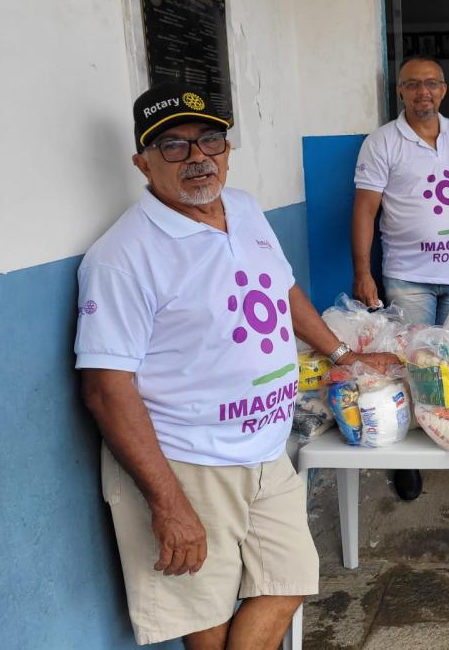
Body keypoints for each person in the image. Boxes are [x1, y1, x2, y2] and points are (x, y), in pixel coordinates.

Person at [76, 83, 397, 648]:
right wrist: (168, 503)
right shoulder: (122, 255)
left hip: (267, 450)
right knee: (207, 620)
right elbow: (106, 389)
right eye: (173, 146)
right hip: (188, 461)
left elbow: (283, 289)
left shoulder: (244, 208)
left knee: (289, 578)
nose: (198, 157)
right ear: (142, 162)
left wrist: (344, 354)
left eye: (210, 140)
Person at [352, 54, 449, 501]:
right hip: (408, 278)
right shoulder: (383, 141)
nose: (423, 91)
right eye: (413, 84)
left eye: (431, 83)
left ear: (444, 90)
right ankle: (408, 458)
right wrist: (362, 273)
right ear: (400, 92)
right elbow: (364, 210)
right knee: (409, 369)